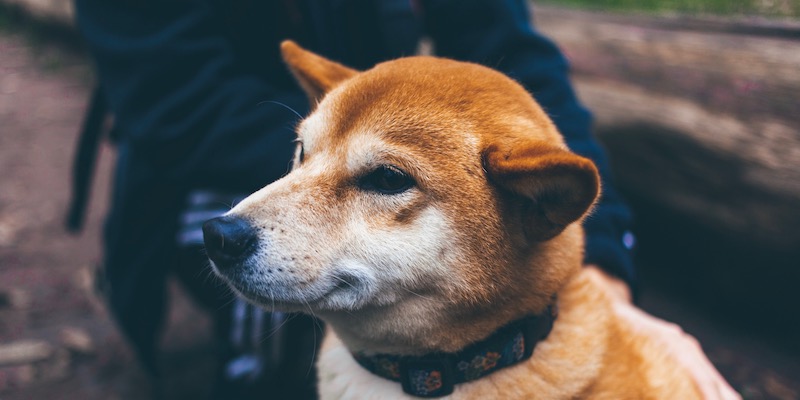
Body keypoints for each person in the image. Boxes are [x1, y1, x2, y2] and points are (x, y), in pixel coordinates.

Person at [68, 0, 737, 398]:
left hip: (373, 133)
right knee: (266, 346)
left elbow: (512, 55)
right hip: (200, 160)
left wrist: (608, 262)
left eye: (384, 180)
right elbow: (176, 104)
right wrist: (348, 143)